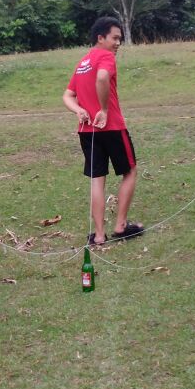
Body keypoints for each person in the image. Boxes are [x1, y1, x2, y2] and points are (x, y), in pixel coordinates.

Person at [62, 16, 143, 246]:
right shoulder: (105, 56)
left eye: (120, 39)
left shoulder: (83, 62)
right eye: (115, 38)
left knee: (97, 180)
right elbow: (102, 77)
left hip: (87, 131)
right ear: (101, 38)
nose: (118, 43)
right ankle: (120, 226)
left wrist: (79, 110)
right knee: (130, 171)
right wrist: (104, 109)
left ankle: (98, 235)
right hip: (112, 127)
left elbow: (67, 96)